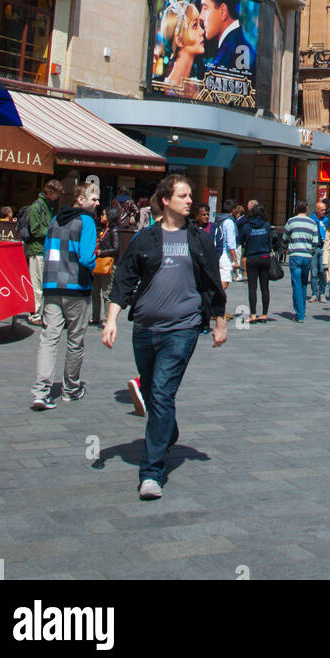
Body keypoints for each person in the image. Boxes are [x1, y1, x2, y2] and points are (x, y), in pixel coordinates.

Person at [103, 174, 227, 500]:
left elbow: (213, 282)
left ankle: (152, 473)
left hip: (182, 329)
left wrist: (220, 321)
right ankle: (167, 430)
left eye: (190, 196)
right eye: (184, 196)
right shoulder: (146, 239)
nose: (190, 201)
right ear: (165, 201)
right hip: (144, 330)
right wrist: (111, 320)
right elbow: (124, 281)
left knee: (160, 391)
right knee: (155, 394)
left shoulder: (199, 239)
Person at [30, 184, 98, 409]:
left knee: (48, 339)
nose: (97, 203)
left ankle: (41, 391)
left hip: (52, 286)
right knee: (75, 341)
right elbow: (87, 258)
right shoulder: (86, 221)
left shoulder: (54, 220)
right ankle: (71, 388)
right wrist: (93, 265)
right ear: (80, 199)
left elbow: (47, 250)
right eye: (94, 198)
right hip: (76, 288)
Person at [23, 178, 62, 326]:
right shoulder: (37, 206)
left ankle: (39, 312)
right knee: (36, 283)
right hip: (37, 249)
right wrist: (52, 231)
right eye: (56, 194)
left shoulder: (49, 205)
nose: (58, 197)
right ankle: (33, 314)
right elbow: (35, 229)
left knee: (43, 283)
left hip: (45, 249)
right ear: (50, 192)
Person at [199, 0, 256, 73]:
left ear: (223, 12)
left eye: (205, 8)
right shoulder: (245, 47)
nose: (201, 17)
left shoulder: (220, 64)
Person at [283, 201, 318, 322]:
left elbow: (285, 237)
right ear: (307, 209)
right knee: (303, 283)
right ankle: (302, 309)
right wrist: (310, 252)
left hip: (295, 255)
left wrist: (286, 247)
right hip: (307, 256)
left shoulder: (291, 221)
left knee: (296, 284)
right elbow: (315, 242)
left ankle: (300, 313)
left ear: (295, 208)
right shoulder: (312, 223)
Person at [238, 202, 273, 322]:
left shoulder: (247, 226)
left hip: (251, 258)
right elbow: (270, 241)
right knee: (265, 287)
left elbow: (240, 240)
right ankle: (264, 314)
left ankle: (253, 314)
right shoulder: (266, 225)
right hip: (264, 257)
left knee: (252, 287)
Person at [90, 205, 120, 328]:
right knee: (95, 292)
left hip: (107, 265)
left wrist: (101, 252)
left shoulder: (114, 231)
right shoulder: (103, 230)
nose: (102, 216)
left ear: (109, 217)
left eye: (104, 214)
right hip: (98, 264)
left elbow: (116, 248)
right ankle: (95, 316)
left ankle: (108, 318)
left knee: (106, 293)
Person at [212, 201, 239, 318]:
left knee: (219, 280)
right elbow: (231, 242)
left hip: (217, 252)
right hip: (225, 254)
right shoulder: (229, 222)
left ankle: (216, 308)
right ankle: (216, 308)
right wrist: (235, 260)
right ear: (232, 210)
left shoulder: (218, 219)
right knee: (225, 281)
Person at [308, 200, 329, 304]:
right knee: (314, 272)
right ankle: (314, 293)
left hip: (324, 248)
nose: (323, 212)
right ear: (316, 210)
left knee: (322, 271)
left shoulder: (327, 220)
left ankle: (322, 293)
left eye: (324, 210)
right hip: (314, 248)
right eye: (321, 210)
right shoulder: (311, 220)